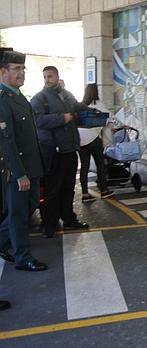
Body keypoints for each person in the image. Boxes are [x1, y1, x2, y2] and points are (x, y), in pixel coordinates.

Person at [0, 49, 48, 271]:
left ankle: (2, 242)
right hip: (18, 170)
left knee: (28, 207)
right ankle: (23, 257)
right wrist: (19, 174)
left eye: (23, 69)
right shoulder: (3, 100)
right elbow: (7, 142)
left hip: (32, 166)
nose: (22, 73)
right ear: (3, 72)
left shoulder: (18, 97)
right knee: (18, 215)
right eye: (16, 69)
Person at [31, 66, 89, 238]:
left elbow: (77, 106)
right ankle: (49, 223)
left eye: (50, 76)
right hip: (52, 152)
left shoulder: (66, 95)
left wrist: (92, 111)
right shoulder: (39, 98)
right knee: (52, 190)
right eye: (44, 77)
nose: (47, 79)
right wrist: (62, 118)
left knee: (68, 187)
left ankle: (69, 219)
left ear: (57, 77)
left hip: (70, 149)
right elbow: (38, 120)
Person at [78, 83, 114, 202]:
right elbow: (109, 118)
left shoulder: (81, 105)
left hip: (81, 140)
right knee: (100, 165)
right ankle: (104, 191)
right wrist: (118, 126)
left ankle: (85, 194)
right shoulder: (97, 104)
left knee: (84, 167)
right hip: (93, 139)